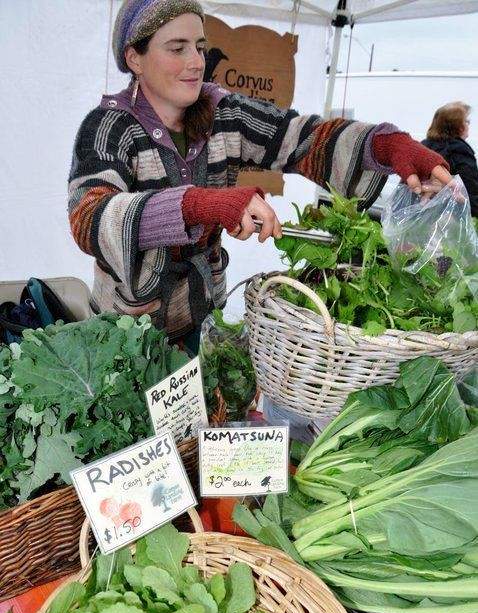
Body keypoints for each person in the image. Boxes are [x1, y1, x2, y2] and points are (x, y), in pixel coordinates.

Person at [68, 0, 452, 353]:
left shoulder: (226, 115)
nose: (197, 62)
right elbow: (90, 216)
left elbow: (303, 138)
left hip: (202, 320)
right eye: (177, 48)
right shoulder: (109, 127)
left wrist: (385, 147)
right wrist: (202, 204)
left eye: (200, 47)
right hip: (128, 330)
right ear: (135, 57)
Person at [422, 102, 478, 216]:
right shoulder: (459, 150)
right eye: (466, 121)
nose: (468, 125)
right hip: (449, 219)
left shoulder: (424, 145)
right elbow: (470, 192)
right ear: (458, 126)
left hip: (421, 214)